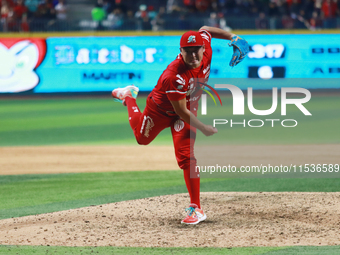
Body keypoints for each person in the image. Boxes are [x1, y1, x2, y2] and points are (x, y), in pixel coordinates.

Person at [112, 26, 249, 225]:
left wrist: (232, 36)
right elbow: (180, 112)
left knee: (186, 157)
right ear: (181, 51)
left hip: (186, 108)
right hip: (161, 110)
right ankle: (129, 96)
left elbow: (205, 30)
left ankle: (196, 208)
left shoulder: (206, 48)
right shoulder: (174, 75)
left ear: (204, 48)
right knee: (141, 139)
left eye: (196, 49)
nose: (193, 54)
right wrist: (203, 128)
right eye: (188, 50)